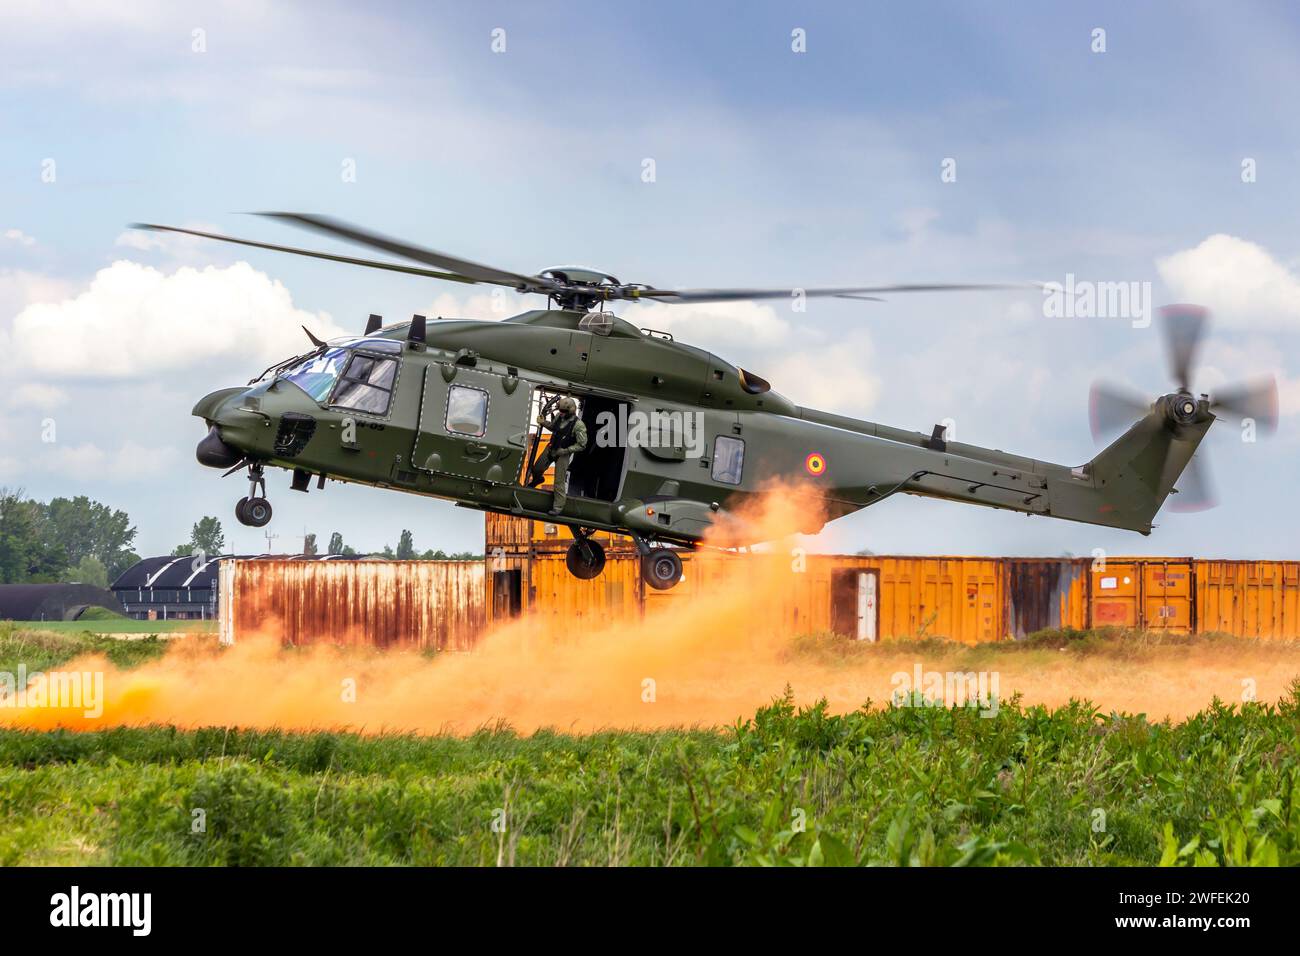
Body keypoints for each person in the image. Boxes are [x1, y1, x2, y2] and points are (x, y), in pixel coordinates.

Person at [527, 397, 587, 515]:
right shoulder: (560, 416)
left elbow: (582, 445)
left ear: (570, 410)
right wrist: (543, 422)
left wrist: (566, 451)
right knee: (537, 469)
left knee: (558, 483)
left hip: (563, 454)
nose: (561, 413)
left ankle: (558, 508)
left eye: (564, 411)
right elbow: (553, 427)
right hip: (551, 448)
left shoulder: (579, 425)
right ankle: (538, 479)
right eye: (560, 411)